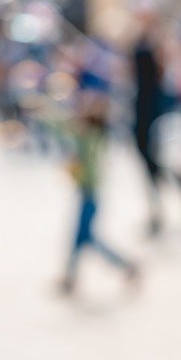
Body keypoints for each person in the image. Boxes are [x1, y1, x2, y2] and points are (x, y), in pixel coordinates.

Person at [57, 87, 142, 298]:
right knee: (81, 238)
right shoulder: (92, 134)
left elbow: (74, 140)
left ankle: (125, 265)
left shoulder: (91, 136)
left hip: (90, 193)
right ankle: (70, 277)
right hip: (88, 193)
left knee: (85, 238)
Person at [125, 0, 173, 237]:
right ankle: (155, 207)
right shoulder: (136, 37)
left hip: (155, 103)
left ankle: (161, 207)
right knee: (145, 158)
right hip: (139, 103)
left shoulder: (159, 38)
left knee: (156, 157)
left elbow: (166, 71)